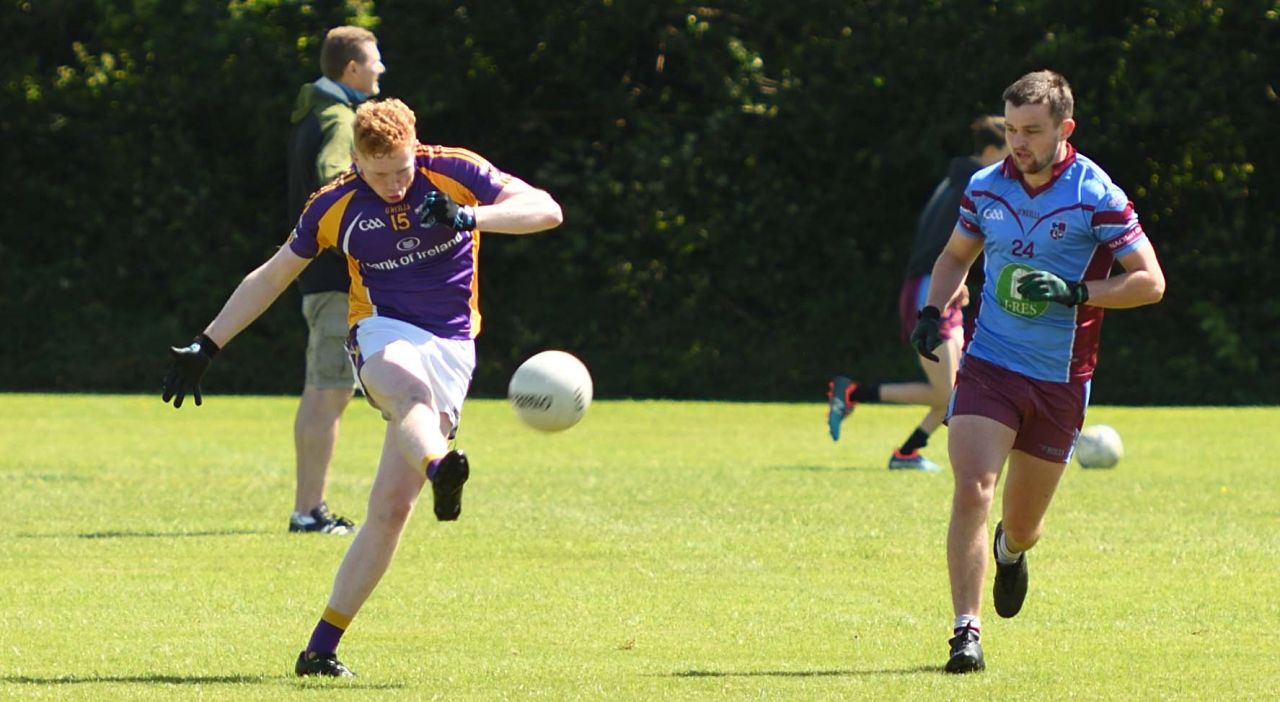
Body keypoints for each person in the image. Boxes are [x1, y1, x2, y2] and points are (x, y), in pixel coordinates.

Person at [161, 98, 564, 677]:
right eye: (379, 174)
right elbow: (273, 275)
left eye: (401, 169)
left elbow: (545, 210)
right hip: (380, 330)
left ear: (414, 146)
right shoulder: (335, 205)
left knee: (390, 510)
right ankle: (439, 466)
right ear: (355, 160)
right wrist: (209, 343)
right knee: (407, 394)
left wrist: (470, 217)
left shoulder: (453, 170)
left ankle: (319, 650)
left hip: (452, 345)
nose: (395, 185)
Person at [908, 70, 1165, 673]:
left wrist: (1077, 292)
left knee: (1023, 527)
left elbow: (1149, 282)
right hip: (990, 365)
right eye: (1012, 129)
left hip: (1059, 380)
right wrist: (932, 308)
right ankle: (965, 632)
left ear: (1063, 129)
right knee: (973, 488)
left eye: (1032, 131)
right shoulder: (984, 187)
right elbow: (954, 257)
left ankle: (1010, 551)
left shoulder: (1094, 193)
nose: (1018, 143)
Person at [827, 116, 1008, 472]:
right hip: (929, 290)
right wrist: (949, 286)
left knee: (955, 389)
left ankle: (906, 451)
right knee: (950, 392)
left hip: (941, 289)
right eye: (1006, 153)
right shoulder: (972, 186)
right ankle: (856, 397)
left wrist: (961, 281)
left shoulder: (958, 182)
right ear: (989, 151)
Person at [285, 26, 386, 535]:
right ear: (351, 69)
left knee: (324, 390)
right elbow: (332, 179)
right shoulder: (340, 119)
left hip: (318, 277)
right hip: (334, 279)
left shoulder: (316, 111)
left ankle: (309, 507)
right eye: (374, 61)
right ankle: (309, 512)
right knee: (328, 392)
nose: (381, 70)